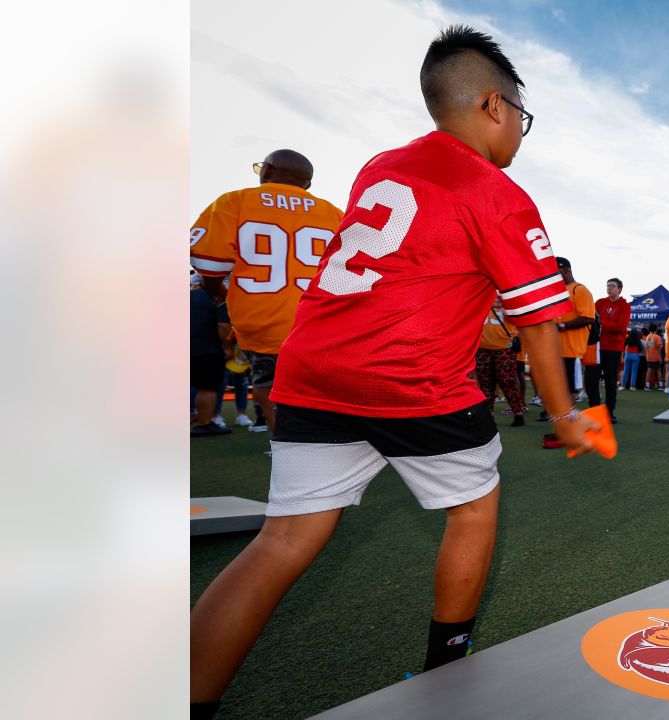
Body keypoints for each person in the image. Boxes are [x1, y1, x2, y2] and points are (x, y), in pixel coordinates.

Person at [189, 27, 598, 719]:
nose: (522, 136)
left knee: (282, 540)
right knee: (473, 510)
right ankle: (447, 674)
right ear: (494, 107)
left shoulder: (383, 165)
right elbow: (536, 325)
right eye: (523, 119)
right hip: (410, 378)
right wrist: (566, 417)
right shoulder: (499, 193)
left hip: (312, 366)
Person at [190, 148, 345, 434]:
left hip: (262, 322)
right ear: (307, 185)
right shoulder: (334, 213)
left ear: (268, 171)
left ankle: (287, 441)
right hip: (319, 322)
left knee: (267, 388)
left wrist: (219, 293)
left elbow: (209, 266)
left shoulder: (234, 201)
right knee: (318, 391)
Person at [538, 256, 594, 438]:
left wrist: (561, 326)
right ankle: (565, 426)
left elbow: (588, 317)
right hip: (555, 349)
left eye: (556, 271)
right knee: (558, 390)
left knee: (567, 390)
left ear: (566, 270)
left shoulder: (580, 290)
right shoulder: (557, 291)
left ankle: (570, 428)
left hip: (570, 350)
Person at [476, 295, 526, 427]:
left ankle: (518, 413)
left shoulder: (507, 294)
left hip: (504, 347)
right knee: (485, 384)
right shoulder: (480, 293)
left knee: (508, 382)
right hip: (482, 347)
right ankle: (488, 415)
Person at [191, 283, 233, 437]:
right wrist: (228, 347)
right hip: (208, 348)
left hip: (188, 346)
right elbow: (223, 327)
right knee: (208, 387)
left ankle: (201, 419)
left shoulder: (190, 295)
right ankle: (205, 423)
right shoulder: (218, 298)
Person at [595, 278, 630, 422]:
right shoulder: (599, 303)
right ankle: (595, 411)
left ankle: (609, 412)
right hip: (597, 348)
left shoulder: (624, 306)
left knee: (610, 382)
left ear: (620, 289)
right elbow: (590, 319)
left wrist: (601, 322)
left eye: (613, 286)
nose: (609, 288)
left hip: (613, 348)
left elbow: (621, 328)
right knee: (592, 381)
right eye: (608, 286)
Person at [644, 323, 664, 390]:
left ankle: (647, 385)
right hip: (656, 356)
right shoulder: (657, 337)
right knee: (658, 371)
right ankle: (660, 385)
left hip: (649, 356)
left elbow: (648, 347)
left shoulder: (647, 337)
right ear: (656, 329)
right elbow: (659, 347)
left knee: (649, 370)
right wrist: (660, 357)